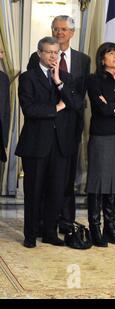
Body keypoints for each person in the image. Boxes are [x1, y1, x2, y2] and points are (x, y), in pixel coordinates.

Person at [27, 15, 90, 234]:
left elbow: (78, 99)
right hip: (43, 132)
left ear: (72, 33)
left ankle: (64, 222)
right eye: (56, 29)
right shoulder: (35, 61)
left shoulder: (83, 60)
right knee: (41, 183)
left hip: (69, 130)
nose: (59, 33)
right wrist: (55, 108)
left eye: (63, 29)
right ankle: (41, 225)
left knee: (64, 181)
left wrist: (61, 86)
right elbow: (33, 96)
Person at [16, 37, 81, 248]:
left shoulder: (66, 78)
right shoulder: (27, 78)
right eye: (49, 52)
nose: (53, 56)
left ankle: (50, 233)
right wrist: (56, 109)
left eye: (56, 52)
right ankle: (30, 234)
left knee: (56, 190)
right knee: (34, 191)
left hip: (60, 145)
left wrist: (58, 82)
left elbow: (76, 104)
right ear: (39, 54)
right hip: (36, 144)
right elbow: (30, 110)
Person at [85, 42, 115, 247]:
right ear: (102, 58)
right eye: (111, 53)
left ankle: (109, 228)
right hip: (102, 136)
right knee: (98, 182)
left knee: (113, 182)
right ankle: (95, 227)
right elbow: (101, 109)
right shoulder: (94, 80)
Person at [0, 48, 10, 163]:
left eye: (2, 52)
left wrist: (5, 139)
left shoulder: (3, 78)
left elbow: (6, 110)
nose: (1, 57)